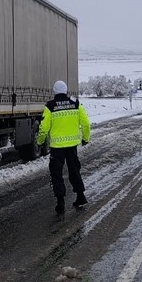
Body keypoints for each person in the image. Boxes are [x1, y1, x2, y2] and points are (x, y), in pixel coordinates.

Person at [36, 79, 91, 215]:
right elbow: (86, 123)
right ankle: (80, 196)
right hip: (72, 146)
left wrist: (40, 141)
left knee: (57, 174)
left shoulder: (50, 106)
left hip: (57, 147)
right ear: (66, 91)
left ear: (54, 92)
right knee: (74, 170)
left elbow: (43, 128)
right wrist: (85, 139)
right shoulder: (76, 103)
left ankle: (60, 203)